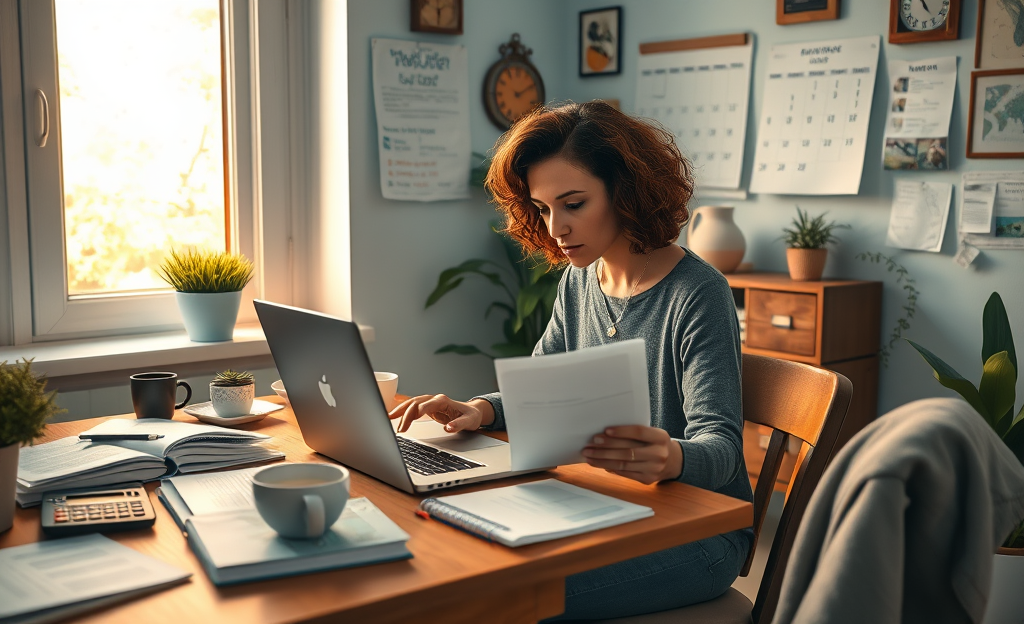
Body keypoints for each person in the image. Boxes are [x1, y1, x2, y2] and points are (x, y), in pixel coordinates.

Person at [389, 101, 752, 620]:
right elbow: (540, 390)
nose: (556, 227)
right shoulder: (580, 280)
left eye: (574, 203)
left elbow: (723, 451)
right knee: (454, 557)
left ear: (625, 193)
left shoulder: (698, 293)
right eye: (542, 208)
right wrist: (481, 410)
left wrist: (672, 457)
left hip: (698, 532)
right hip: (604, 505)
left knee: (494, 598)